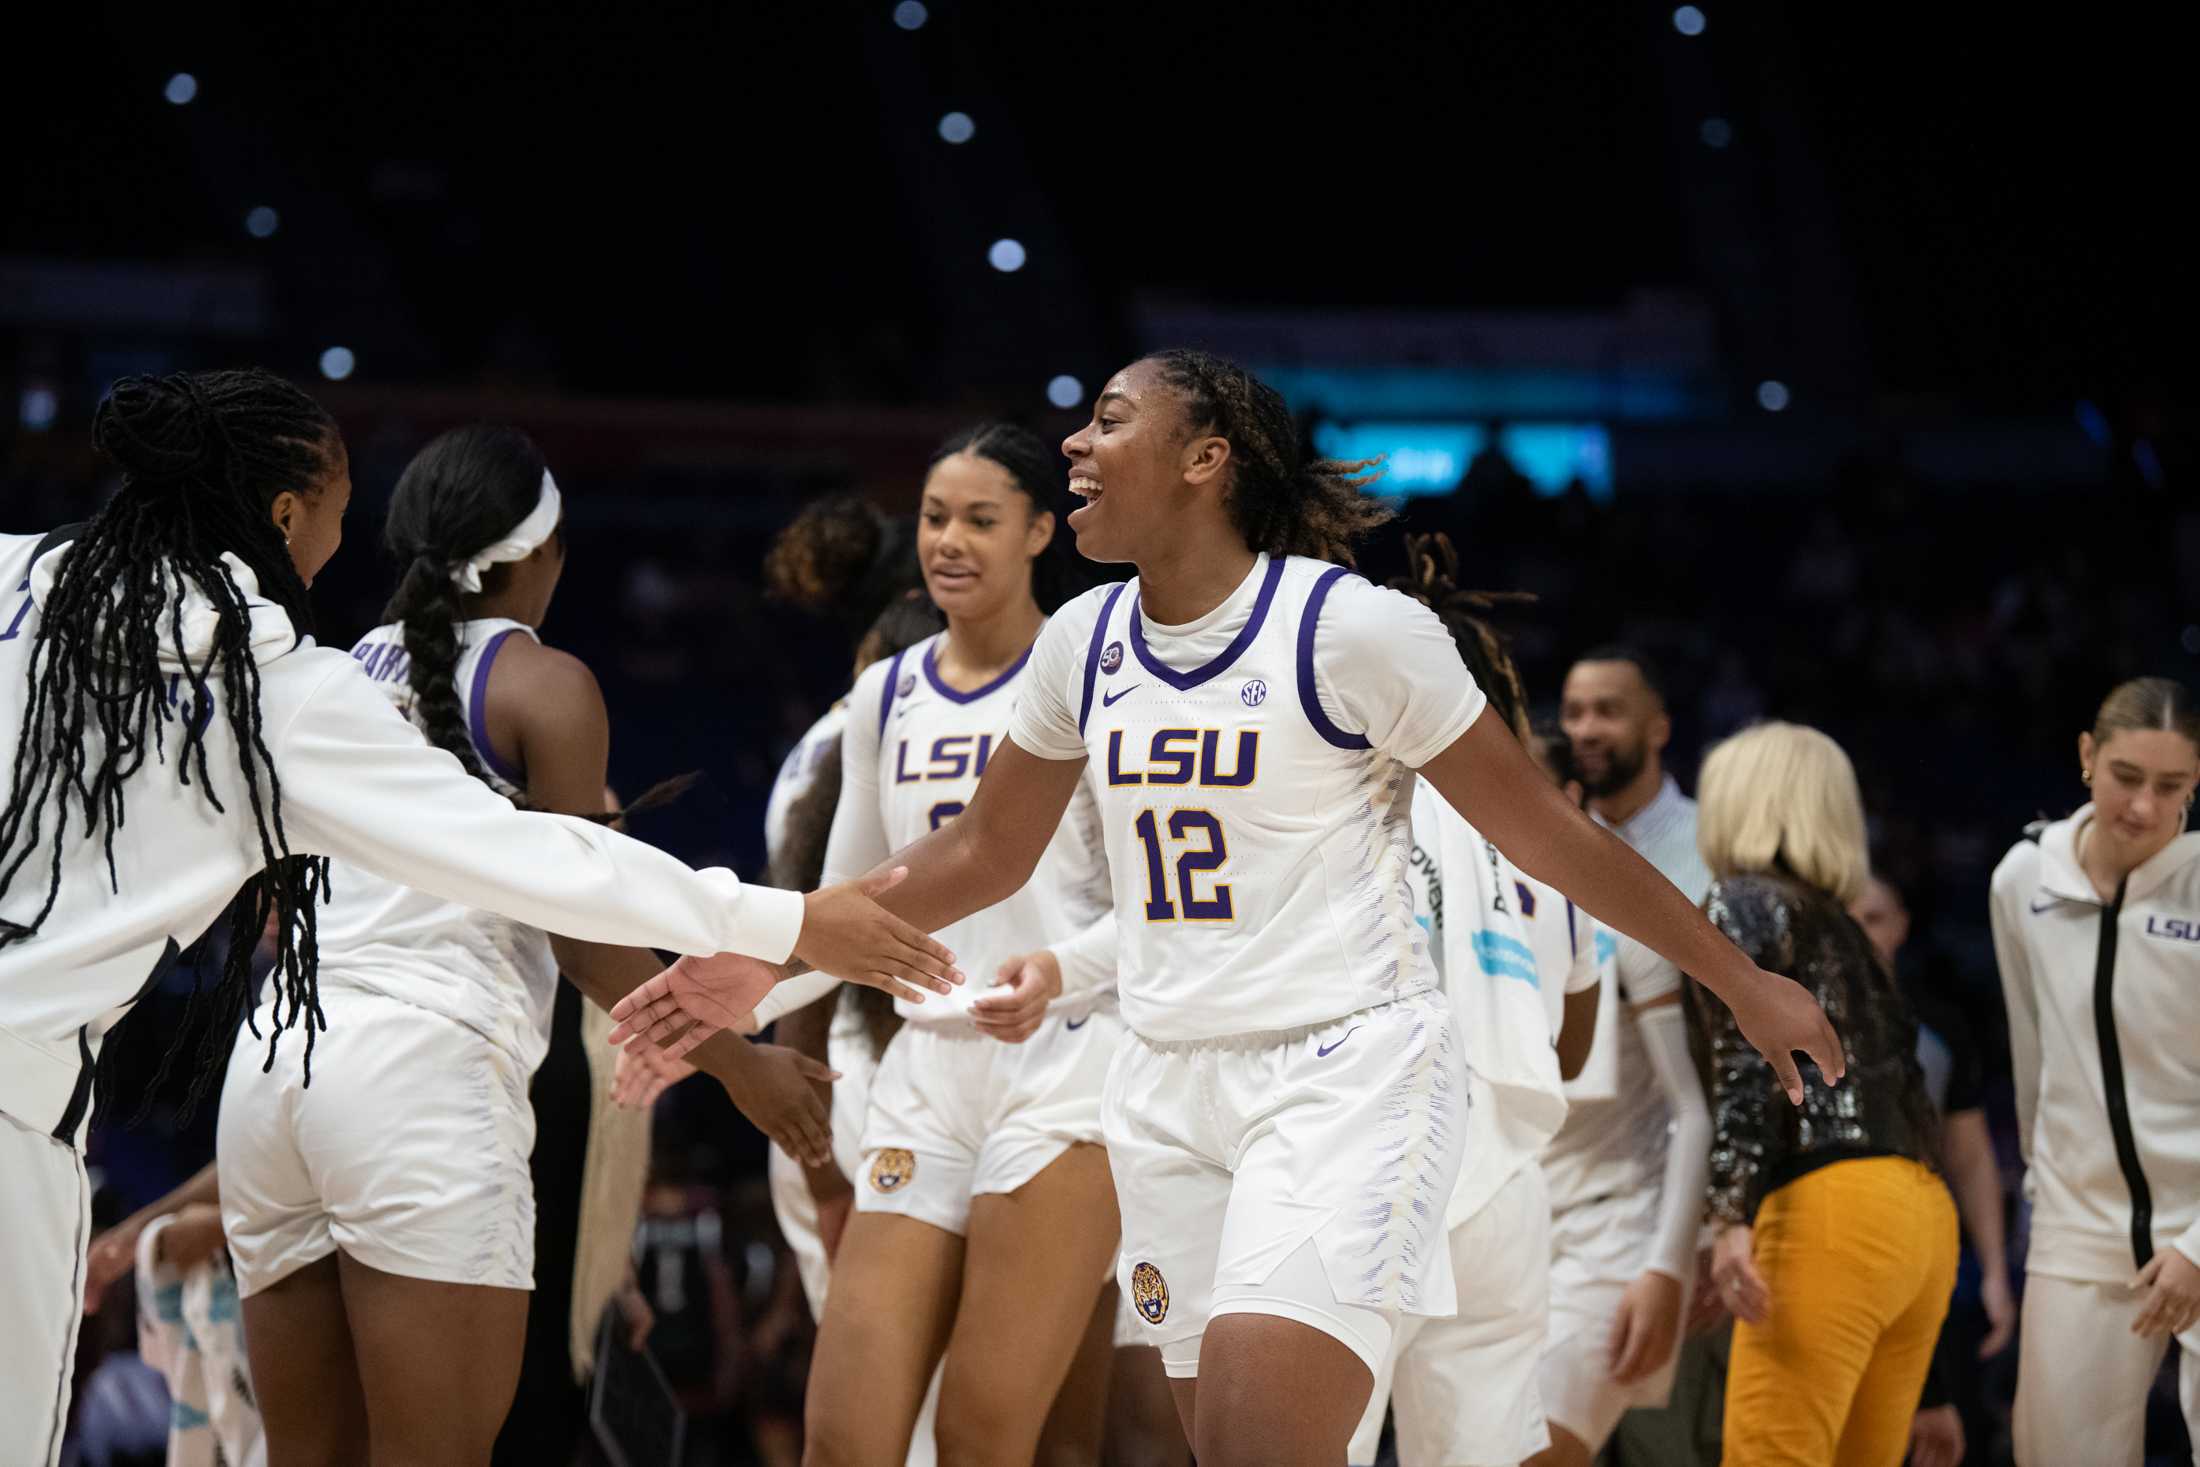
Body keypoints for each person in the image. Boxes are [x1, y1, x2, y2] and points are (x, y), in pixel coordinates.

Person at [615, 351, 1841, 1467]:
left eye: (1106, 421)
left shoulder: (1350, 629)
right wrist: (768, 959)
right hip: (1162, 1086)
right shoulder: (1084, 641)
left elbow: (1546, 830)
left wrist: (1740, 977)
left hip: (1344, 1074)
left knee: (1262, 1442)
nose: (1076, 447)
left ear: (1206, 459)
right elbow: (981, 854)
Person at [0, 371, 955, 1464]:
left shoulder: (277, 645)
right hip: (411, 1076)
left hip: (267, 1079)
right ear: (541, 558)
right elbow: (554, 884)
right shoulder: (345, 685)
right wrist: (762, 986)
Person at [744, 424, 1122, 1466]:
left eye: (980, 521)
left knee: (987, 1437)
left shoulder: (1098, 677)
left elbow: (1165, 911)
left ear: (1044, 530)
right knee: (847, 1437)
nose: (948, 542)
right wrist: (726, 1007)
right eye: (933, 518)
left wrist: (1064, 970)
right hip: (924, 1065)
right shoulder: (887, 693)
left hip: (1067, 1065)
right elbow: (848, 912)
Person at [1346, 534, 1602, 1467]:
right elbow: (1572, 1043)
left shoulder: (1352, 800)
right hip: (1508, 1183)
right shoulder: (1551, 836)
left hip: (1379, 1155)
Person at [1687, 721, 1955, 1466]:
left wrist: (1728, 1215)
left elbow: (1749, 1062)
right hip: (1922, 1219)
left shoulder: (1741, 899)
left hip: (1828, 1208)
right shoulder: (1852, 932)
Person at [1992, 676, 2200, 1466]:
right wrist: (2048, 1191)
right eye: (2126, 777)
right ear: (2087, 757)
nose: (2144, 807)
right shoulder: (2022, 881)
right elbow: (2031, 1055)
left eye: (2171, 786)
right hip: (2080, 1228)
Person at [1849, 873, 2014, 1467]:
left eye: (1872, 917)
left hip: (1927, 1260)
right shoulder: (1792, 1016)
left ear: (1900, 925)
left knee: (1934, 1438)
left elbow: (1969, 1156)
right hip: (1832, 1253)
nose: (1858, 931)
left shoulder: (1939, 1026)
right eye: (1844, 915)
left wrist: (1996, 1273)